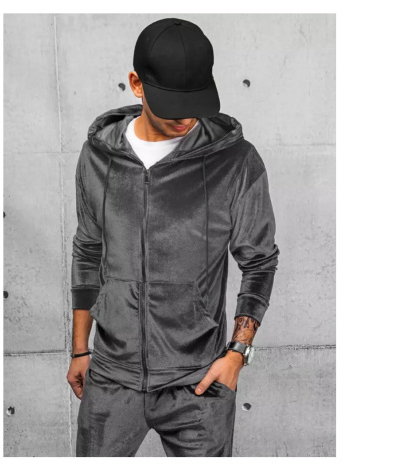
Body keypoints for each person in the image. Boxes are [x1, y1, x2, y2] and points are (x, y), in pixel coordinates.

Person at [66, 17, 280, 457]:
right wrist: (79, 350)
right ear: (137, 85)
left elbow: (259, 261)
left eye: (195, 102)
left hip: (198, 384)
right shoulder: (98, 158)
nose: (186, 117)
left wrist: (237, 353)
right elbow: (88, 250)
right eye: (172, 104)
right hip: (112, 377)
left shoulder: (236, 162)